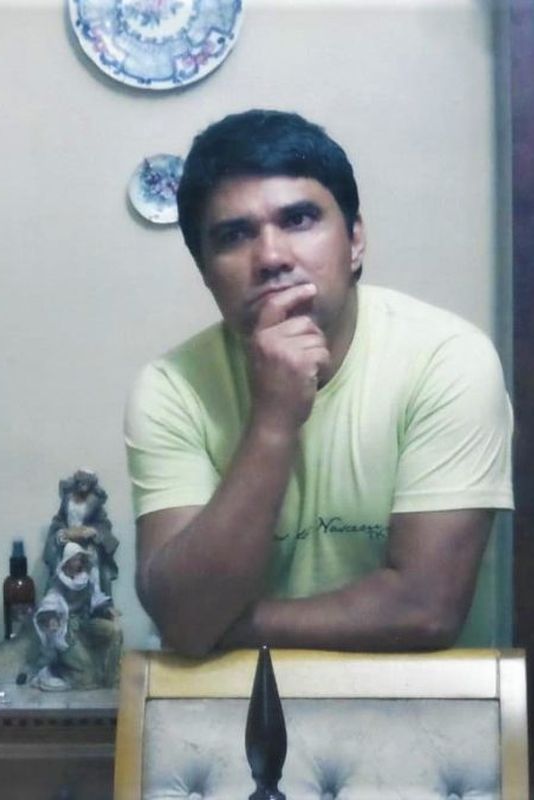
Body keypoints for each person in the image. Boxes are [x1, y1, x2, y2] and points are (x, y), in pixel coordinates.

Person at [124, 109, 513, 656]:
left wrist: (226, 629)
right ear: (205, 271)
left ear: (355, 242)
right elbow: (185, 614)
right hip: (233, 705)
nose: (271, 257)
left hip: (420, 701)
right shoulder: (171, 388)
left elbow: (426, 609)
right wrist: (273, 420)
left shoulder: (448, 360)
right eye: (234, 235)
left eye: (299, 220)